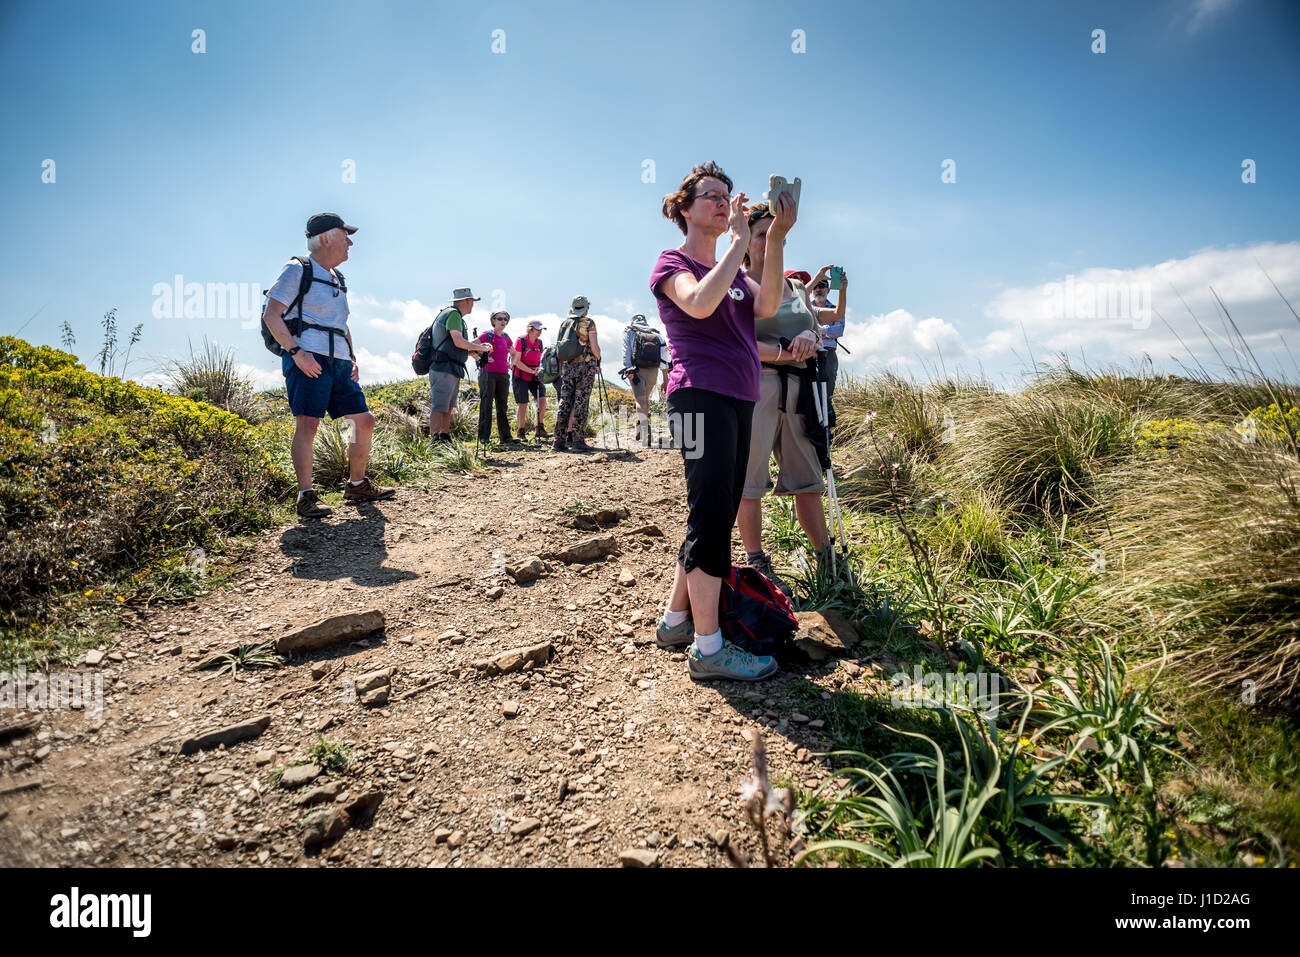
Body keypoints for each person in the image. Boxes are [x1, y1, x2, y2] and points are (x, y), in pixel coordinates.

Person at [649, 161, 795, 682]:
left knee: (712, 512)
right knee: (712, 519)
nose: (721, 201)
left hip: (738, 398)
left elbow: (770, 304)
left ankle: (675, 622)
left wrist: (773, 238)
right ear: (684, 209)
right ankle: (708, 650)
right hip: (697, 397)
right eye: (710, 195)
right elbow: (700, 304)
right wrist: (737, 243)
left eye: (726, 195)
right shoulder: (673, 264)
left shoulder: (736, 273)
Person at [735, 207, 846, 595]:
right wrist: (786, 350)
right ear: (744, 239)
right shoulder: (738, 285)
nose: (767, 239)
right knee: (749, 480)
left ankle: (825, 555)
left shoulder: (797, 288)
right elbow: (738, 342)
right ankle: (756, 559)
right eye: (760, 233)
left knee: (808, 480)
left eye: (773, 232)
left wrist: (811, 340)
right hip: (757, 390)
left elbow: (818, 332)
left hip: (801, 391)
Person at [261, 212, 395, 519]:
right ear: (324, 238)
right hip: (309, 357)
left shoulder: (338, 278)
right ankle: (305, 496)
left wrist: (352, 357)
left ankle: (357, 485)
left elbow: (341, 324)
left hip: (339, 361)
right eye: (344, 235)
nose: (350, 242)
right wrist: (297, 353)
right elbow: (272, 314)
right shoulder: (297, 269)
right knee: (308, 424)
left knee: (365, 420)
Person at [425, 287, 492, 443]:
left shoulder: (451, 314)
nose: (473, 305)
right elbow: (459, 342)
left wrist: (475, 352)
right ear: (466, 301)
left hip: (449, 367)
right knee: (440, 405)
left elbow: (454, 347)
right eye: (472, 302)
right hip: (444, 368)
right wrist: (482, 348)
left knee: (447, 405)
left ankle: (444, 437)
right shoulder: (454, 315)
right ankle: (435, 440)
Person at [552, 295, 601, 453]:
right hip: (585, 366)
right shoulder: (588, 323)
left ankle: (558, 441)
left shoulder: (564, 323)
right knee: (581, 401)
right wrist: (598, 357)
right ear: (586, 308)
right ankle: (577, 441)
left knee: (565, 401)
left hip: (567, 366)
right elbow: (594, 348)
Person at [621, 313, 668, 447]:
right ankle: (639, 428)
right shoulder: (655, 333)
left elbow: (626, 352)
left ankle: (646, 431)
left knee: (640, 401)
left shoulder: (630, 331)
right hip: (653, 371)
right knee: (645, 399)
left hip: (636, 370)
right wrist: (665, 379)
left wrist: (628, 368)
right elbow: (665, 355)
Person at [475, 311, 520, 445]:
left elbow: (515, 353)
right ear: (493, 320)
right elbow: (470, 347)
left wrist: (511, 364)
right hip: (487, 373)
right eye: (500, 318)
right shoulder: (487, 335)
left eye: (506, 319)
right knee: (486, 405)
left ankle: (506, 438)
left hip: (503, 375)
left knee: (502, 406)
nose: (503, 321)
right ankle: (484, 438)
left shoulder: (506, 337)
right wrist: (480, 358)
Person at [809, 270, 849, 413]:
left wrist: (818, 331)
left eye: (822, 286)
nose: (818, 289)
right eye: (815, 287)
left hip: (829, 354)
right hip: (809, 353)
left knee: (827, 392)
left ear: (828, 289)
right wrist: (827, 330)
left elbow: (839, 331)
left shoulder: (835, 308)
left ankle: (827, 421)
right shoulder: (806, 306)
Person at [513, 319, 549, 440]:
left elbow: (540, 360)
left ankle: (539, 428)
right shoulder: (521, 341)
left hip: (535, 376)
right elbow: (517, 362)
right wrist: (531, 371)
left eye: (541, 330)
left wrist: (538, 370)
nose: (539, 332)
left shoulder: (539, 343)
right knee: (523, 403)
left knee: (542, 400)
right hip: (520, 375)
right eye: (537, 329)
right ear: (530, 329)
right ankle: (521, 432)